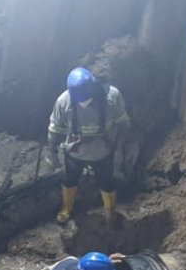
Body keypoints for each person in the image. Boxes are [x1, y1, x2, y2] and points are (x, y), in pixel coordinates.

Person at [48, 67, 131, 224]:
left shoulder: (111, 97)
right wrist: (51, 151)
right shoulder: (64, 101)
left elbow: (123, 121)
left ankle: (110, 214)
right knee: (70, 180)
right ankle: (66, 209)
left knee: (107, 182)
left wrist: (123, 147)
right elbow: (55, 128)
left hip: (103, 150)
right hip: (75, 151)